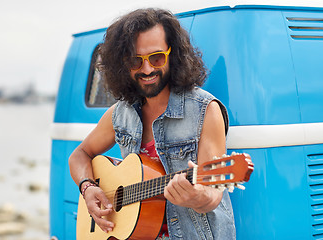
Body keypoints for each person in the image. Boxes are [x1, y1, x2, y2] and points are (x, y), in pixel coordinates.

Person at [69, 8, 236, 240]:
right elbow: (79, 155)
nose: (147, 69)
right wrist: (88, 188)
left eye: (156, 58)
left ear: (174, 54)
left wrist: (195, 197)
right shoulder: (120, 113)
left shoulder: (205, 110)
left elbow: (213, 194)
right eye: (136, 61)